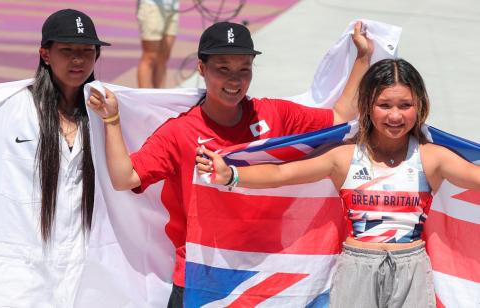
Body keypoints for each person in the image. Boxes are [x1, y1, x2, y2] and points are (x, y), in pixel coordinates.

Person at [87, 21, 372, 306]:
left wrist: (362, 58)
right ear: (202, 68)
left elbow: (340, 118)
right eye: (222, 69)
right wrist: (112, 121)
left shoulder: (274, 114)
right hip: (202, 276)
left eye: (243, 69)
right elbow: (126, 178)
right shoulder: (179, 132)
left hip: (263, 272)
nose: (234, 80)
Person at [197, 58, 480, 307]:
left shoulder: (432, 158)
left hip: (412, 269)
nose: (395, 115)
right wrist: (232, 176)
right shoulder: (344, 157)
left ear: (420, 106)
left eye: (405, 105)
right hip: (357, 267)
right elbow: (282, 174)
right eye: (384, 105)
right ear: (367, 106)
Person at [0, 9, 110, 306]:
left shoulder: (105, 114)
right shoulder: (4, 108)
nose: (78, 60)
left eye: (86, 51)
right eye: (67, 50)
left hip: (81, 268)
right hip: (14, 271)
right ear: (45, 54)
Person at [136, 0, 179, 88]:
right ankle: (143, 98)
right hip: (152, 6)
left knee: (163, 57)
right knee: (150, 56)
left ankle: (160, 95)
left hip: (173, 6)